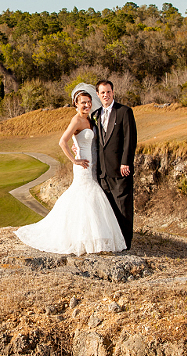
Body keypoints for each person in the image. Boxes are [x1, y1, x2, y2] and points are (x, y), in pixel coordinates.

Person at [14, 83, 126, 255]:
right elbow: (62, 141)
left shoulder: (90, 119)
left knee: (91, 195)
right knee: (83, 195)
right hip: (82, 165)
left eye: (89, 102)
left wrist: (78, 147)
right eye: (83, 102)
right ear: (76, 104)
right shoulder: (76, 120)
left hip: (91, 163)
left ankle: (92, 236)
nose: (87, 105)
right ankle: (78, 237)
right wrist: (74, 159)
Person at [94, 80, 137, 249]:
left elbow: (130, 139)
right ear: (98, 95)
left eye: (108, 92)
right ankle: (113, 240)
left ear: (113, 92)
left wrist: (126, 162)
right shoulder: (95, 114)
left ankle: (126, 243)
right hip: (102, 171)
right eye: (102, 92)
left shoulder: (124, 111)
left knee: (123, 207)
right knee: (108, 208)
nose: (106, 95)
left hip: (120, 169)